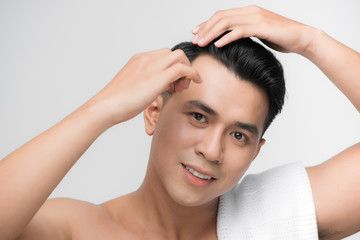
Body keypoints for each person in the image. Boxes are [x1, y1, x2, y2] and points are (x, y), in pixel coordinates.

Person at [0, 5, 359, 240]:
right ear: (153, 111)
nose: (211, 150)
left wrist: (313, 41)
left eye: (238, 135)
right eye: (199, 116)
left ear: (255, 151)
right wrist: (102, 109)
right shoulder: (78, 229)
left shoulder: (274, 213)